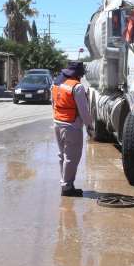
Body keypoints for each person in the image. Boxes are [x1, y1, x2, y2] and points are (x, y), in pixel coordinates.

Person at [52, 61, 94, 197]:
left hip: (57, 123)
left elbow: (53, 103)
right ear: (79, 74)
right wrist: (89, 125)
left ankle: (64, 183)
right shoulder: (77, 87)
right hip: (71, 126)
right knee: (72, 157)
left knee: (62, 155)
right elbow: (83, 110)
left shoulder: (57, 84)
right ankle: (67, 187)